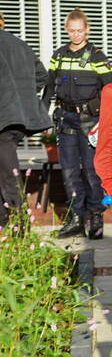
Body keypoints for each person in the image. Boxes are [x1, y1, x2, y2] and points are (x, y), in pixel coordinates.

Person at [47, 9, 112, 239]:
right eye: (72, 31)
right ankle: (75, 219)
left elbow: (109, 90)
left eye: (80, 31)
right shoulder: (59, 55)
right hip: (65, 120)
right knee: (69, 171)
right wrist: (43, 116)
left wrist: (108, 121)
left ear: (87, 30)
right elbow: (49, 87)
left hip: (89, 122)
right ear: (66, 30)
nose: (76, 35)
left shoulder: (97, 56)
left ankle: (95, 217)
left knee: (92, 171)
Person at [0, 25, 51, 227]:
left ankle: (21, 227)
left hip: (4, 121)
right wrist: (23, 97)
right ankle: (4, 222)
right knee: (4, 172)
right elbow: (42, 76)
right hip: (16, 121)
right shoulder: (20, 45)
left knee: (8, 176)